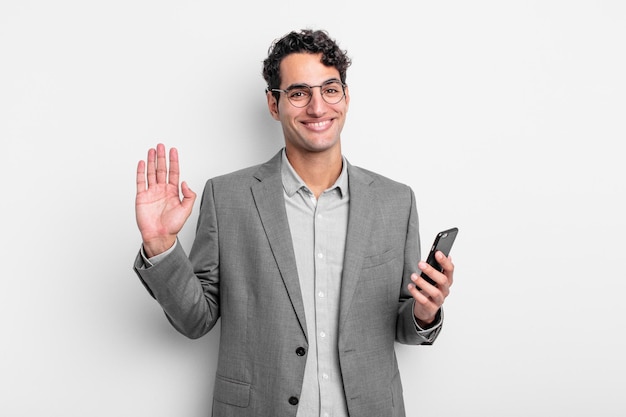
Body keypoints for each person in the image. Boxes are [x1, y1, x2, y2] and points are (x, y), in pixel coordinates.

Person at [133, 29, 454, 417]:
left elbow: (403, 324)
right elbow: (196, 320)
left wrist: (424, 312)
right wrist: (160, 245)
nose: (318, 108)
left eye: (330, 89)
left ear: (346, 97)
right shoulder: (227, 197)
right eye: (299, 93)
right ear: (274, 103)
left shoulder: (395, 201)